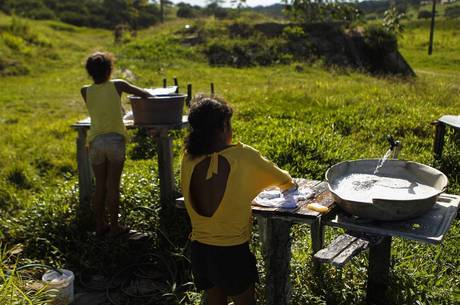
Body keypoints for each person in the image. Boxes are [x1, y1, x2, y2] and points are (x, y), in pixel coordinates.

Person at [181, 96, 296, 305]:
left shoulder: (188, 157)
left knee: (214, 301)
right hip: (231, 252)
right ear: (225, 126)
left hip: (199, 250)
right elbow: (286, 181)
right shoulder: (243, 156)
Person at [80, 51, 152, 237]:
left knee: (100, 185)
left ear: (89, 72)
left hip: (95, 141)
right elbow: (144, 94)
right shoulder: (118, 85)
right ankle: (114, 227)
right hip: (114, 141)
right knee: (113, 185)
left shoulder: (85, 91)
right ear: (110, 69)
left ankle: (99, 225)